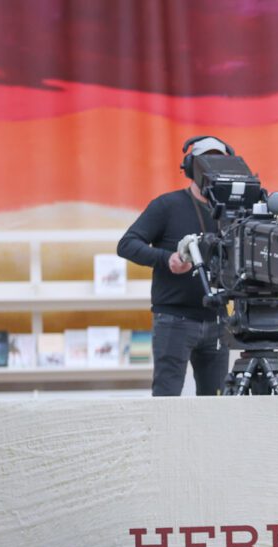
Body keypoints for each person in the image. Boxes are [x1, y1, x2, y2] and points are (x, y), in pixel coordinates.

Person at [118, 136, 232, 396]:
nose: (213, 168)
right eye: (206, 161)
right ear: (191, 167)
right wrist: (166, 259)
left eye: (219, 161)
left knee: (216, 405)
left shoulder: (232, 213)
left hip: (217, 320)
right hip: (174, 319)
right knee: (167, 400)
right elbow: (126, 244)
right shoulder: (167, 205)